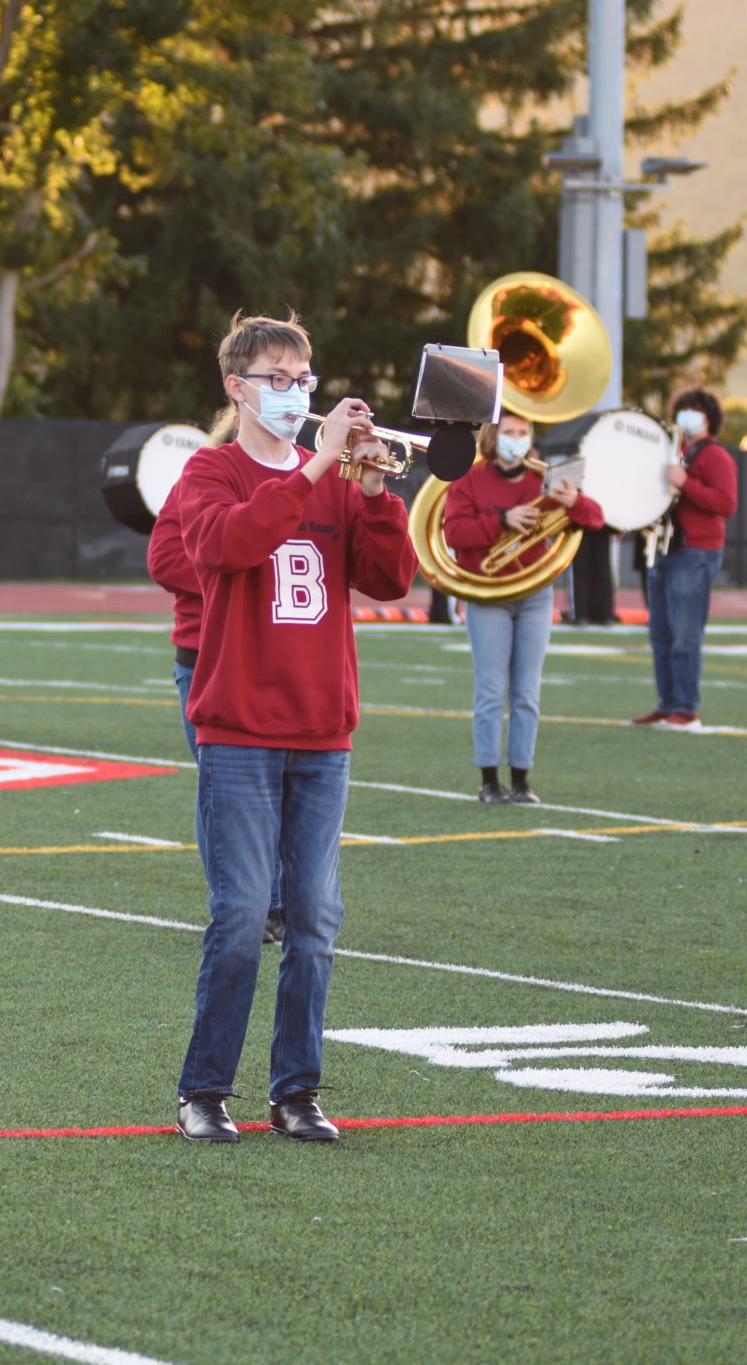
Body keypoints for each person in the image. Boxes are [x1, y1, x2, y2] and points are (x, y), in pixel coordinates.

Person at [171, 312, 417, 1144]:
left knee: (314, 917)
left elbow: (388, 578)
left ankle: (296, 1088)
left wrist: (378, 492)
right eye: (278, 379)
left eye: (304, 379)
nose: (297, 393)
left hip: (322, 728)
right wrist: (318, 465)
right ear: (236, 388)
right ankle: (204, 1088)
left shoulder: (341, 482)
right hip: (238, 723)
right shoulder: (209, 473)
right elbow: (230, 544)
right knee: (242, 912)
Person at [147, 459, 284, 944]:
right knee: (220, 788)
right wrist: (237, 568)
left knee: (287, 786)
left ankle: (281, 902)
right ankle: (248, 904)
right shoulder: (200, 477)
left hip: (277, 650)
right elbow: (164, 559)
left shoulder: (305, 474)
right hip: (205, 651)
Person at [443, 413, 605, 803]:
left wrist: (575, 501)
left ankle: (520, 781)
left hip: (535, 594)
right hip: (489, 593)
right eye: (509, 432)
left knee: (527, 692)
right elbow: (454, 532)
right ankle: (488, 781)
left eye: (523, 433)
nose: (517, 439)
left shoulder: (544, 479)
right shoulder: (470, 477)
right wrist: (501, 520)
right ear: (494, 437)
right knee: (491, 690)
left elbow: (596, 520)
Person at [633, 388, 739, 729]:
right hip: (665, 548)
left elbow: (726, 503)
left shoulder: (714, 456)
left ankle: (686, 707)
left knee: (684, 634)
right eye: (683, 410)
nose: (686, 416)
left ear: (709, 417)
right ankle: (668, 704)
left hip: (695, 550)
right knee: (661, 634)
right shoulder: (675, 451)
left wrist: (686, 483)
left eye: (694, 411)